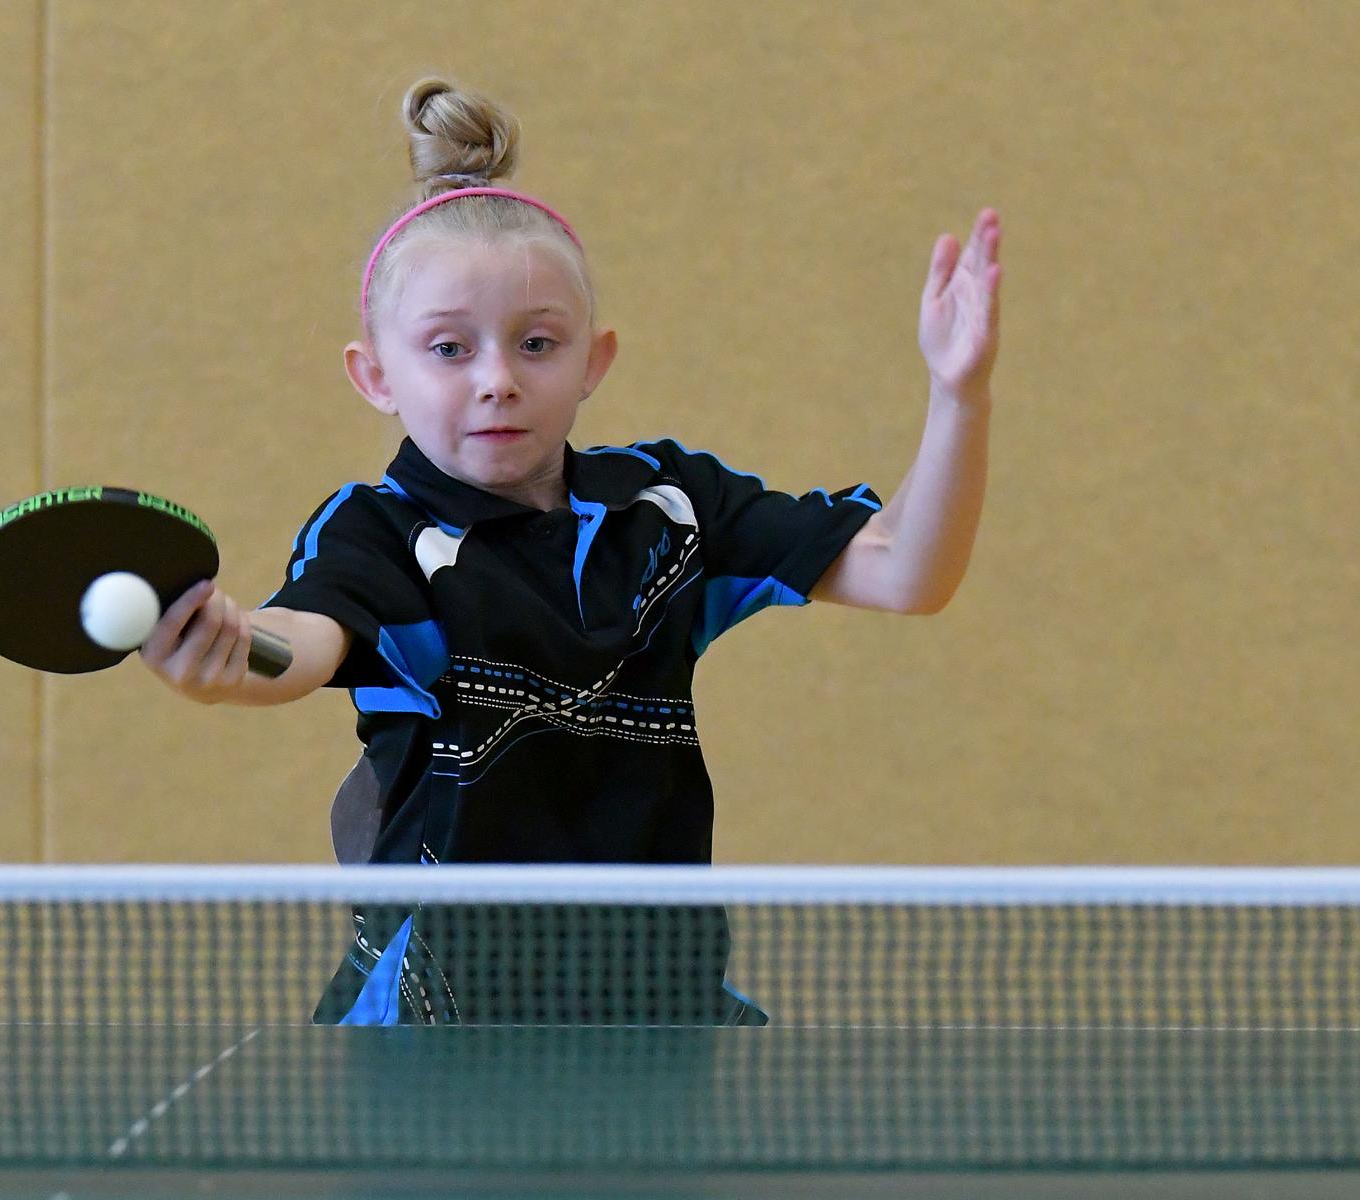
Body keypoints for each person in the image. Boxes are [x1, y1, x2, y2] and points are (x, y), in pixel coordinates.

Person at [139, 78, 1000, 1025]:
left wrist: (958, 396)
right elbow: (299, 645)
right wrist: (226, 654)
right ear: (376, 375)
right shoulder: (379, 533)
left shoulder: (668, 511)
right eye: (449, 349)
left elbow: (907, 572)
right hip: (442, 1021)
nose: (498, 380)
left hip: (653, 1004)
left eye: (538, 343)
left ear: (595, 361)